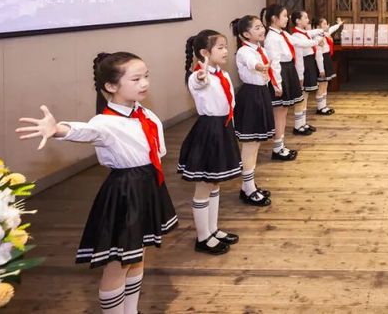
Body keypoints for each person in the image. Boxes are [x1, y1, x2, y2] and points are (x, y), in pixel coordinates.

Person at [16, 52, 177, 314]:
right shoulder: (105, 122)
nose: (145, 83)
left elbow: (157, 150)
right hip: (126, 192)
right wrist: (58, 130)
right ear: (111, 86)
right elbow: (85, 131)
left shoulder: (143, 113)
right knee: (118, 264)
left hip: (147, 186)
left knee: (136, 256)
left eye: (146, 76)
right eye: (136, 79)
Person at [179, 30, 242, 255]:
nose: (225, 51)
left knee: (215, 183)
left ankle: (213, 229)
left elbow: (229, 103)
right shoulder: (198, 75)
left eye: (226, 46)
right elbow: (199, 83)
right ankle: (202, 237)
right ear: (204, 53)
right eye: (220, 47)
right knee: (204, 185)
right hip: (209, 132)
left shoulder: (222, 74)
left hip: (223, 129)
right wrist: (201, 76)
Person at [231, 15, 276, 207]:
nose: (262, 29)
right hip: (251, 97)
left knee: (255, 144)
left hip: (261, 93)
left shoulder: (260, 49)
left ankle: (248, 186)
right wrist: (260, 66)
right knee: (250, 145)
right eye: (257, 28)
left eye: (261, 26)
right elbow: (252, 63)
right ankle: (248, 190)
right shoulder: (244, 51)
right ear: (246, 34)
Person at [262, 4, 302, 161]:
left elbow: (298, 42)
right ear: (274, 18)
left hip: (287, 70)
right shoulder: (272, 38)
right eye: (284, 16)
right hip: (281, 74)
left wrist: (316, 39)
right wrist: (277, 84)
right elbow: (274, 64)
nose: (287, 18)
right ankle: (277, 148)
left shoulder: (282, 34)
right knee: (279, 112)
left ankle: (280, 146)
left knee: (283, 112)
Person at [289, 10, 325, 135]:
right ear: (298, 21)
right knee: (301, 97)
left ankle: (303, 123)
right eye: (305, 17)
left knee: (306, 96)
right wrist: (300, 75)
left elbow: (311, 32)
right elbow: (299, 58)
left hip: (309, 64)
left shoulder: (303, 32)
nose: (308, 19)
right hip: (303, 66)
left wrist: (321, 30)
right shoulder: (296, 36)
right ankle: (298, 126)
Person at [312, 16, 344, 115]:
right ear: (318, 26)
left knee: (325, 85)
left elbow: (332, 28)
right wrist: (321, 69)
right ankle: (320, 107)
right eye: (324, 24)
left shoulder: (324, 34)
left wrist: (339, 24)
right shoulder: (317, 38)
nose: (327, 25)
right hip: (322, 62)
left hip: (326, 59)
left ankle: (324, 106)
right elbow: (318, 55)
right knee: (321, 85)